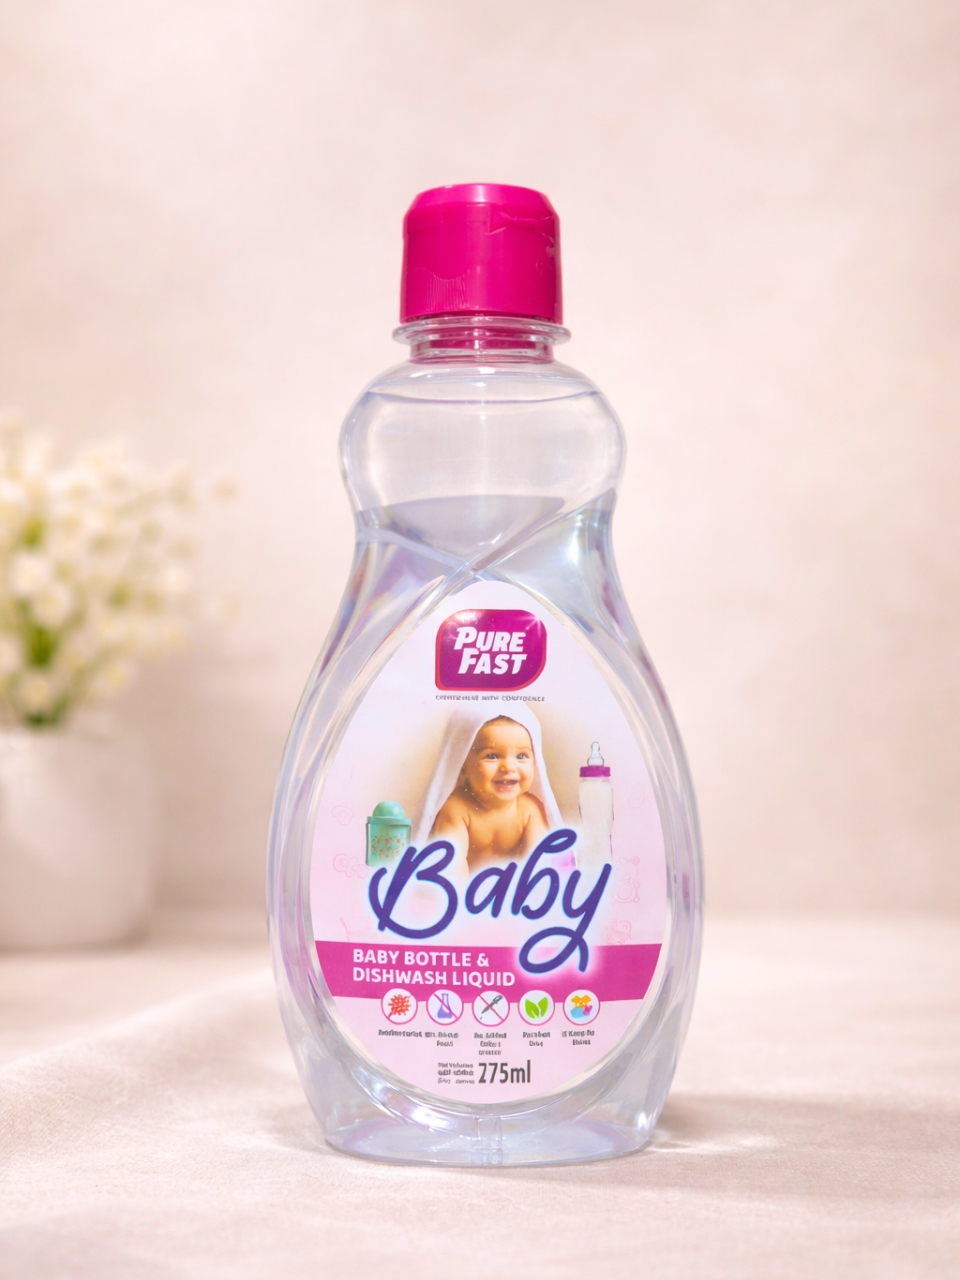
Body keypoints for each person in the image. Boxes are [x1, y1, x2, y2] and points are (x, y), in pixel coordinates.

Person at [418, 706, 563, 873]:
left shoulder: (530, 809)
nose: (509, 767)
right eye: (492, 756)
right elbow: (452, 866)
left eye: (521, 756)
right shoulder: (456, 808)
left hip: (514, 886)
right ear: (462, 762)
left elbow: (535, 865)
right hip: (467, 886)